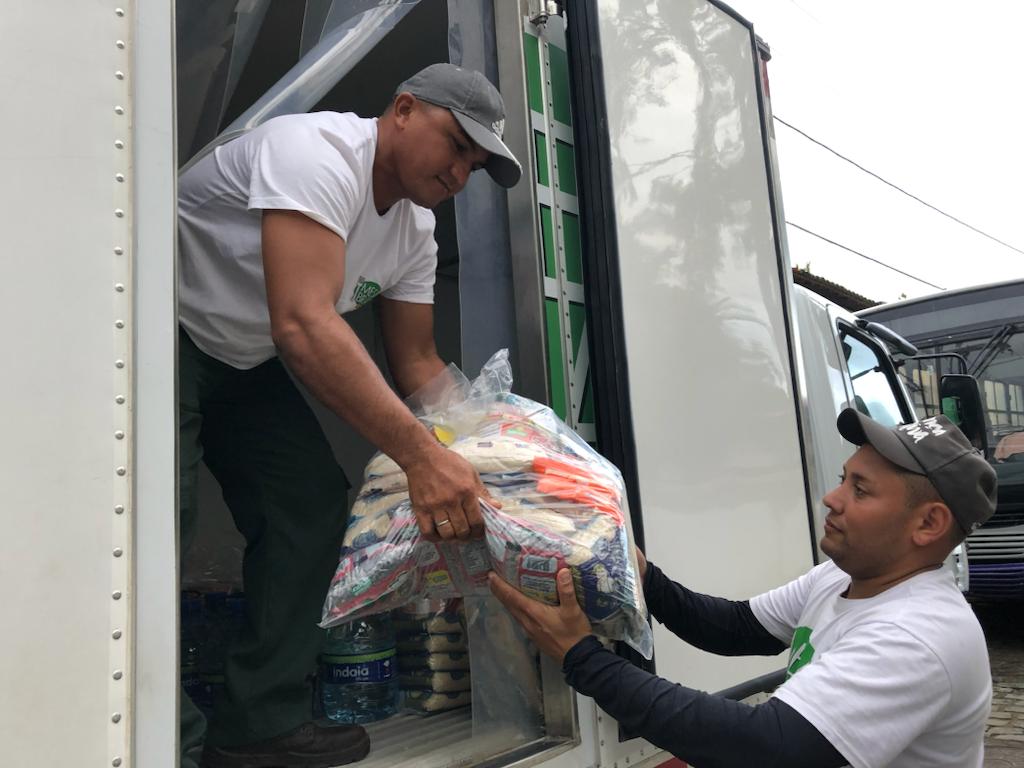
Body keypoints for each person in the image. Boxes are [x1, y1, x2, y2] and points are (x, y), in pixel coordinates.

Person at [176, 63, 521, 768]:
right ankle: (164, 743)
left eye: (475, 164)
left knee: (307, 504)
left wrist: (505, 458)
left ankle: (257, 723)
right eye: (456, 145)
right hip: (160, 333)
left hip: (243, 359)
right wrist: (425, 461)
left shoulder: (416, 233)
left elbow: (419, 365)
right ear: (401, 108)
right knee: (152, 525)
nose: (461, 172)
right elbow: (303, 324)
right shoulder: (315, 153)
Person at [491, 409, 998, 767]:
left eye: (859, 489)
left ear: (928, 524)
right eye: (844, 479)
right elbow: (734, 627)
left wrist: (581, 658)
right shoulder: (846, 577)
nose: (831, 498)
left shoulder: (921, 636)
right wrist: (642, 575)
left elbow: (763, 747)